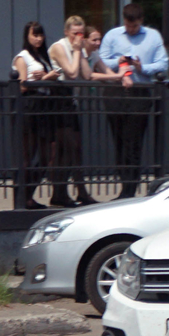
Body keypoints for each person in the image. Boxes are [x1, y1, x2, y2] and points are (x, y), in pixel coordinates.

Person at [98, 4, 168, 200]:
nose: (131, 30)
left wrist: (141, 67)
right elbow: (101, 61)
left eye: (135, 27)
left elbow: (163, 63)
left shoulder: (153, 36)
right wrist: (119, 61)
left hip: (139, 92)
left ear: (141, 21)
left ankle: (130, 188)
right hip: (115, 92)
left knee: (133, 141)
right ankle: (124, 184)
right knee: (119, 139)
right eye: (129, 26)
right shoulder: (112, 35)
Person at [48, 16, 99, 207]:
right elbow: (70, 72)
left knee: (75, 149)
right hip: (58, 99)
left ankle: (80, 192)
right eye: (74, 33)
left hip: (71, 101)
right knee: (64, 150)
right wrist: (78, 50)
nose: (78, 37)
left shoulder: (79, 50)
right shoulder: (59, 47)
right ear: (66, 32)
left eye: (81, 33)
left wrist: (82, 52)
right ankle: (60, 193)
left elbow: (86, 75)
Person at [13, 21, 64, 210]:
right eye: (35, 35)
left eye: (41, 35)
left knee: (46, 153)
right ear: (27, 36)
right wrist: (43, 78)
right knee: (29, 152)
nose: (39, 39)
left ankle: (29, 192)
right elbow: (22, 85)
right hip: (30, 105)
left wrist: (51, 76)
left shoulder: (43, 56)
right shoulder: (22, 57)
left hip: (45, 104)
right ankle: (23, 197)